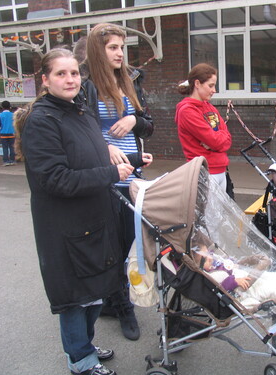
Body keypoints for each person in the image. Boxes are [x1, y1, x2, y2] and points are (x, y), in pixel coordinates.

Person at [18, 48, 133, 375]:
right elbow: (55, 180)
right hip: (67, 228)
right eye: (61, 74)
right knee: (75, 298)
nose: (70, 79)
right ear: (45, 79)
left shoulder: (78, 110)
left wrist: (132, 163)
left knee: (93, 294)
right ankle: (81, 361)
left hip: (93, 221)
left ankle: (84, 345)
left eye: (74, 73)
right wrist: (113, 175)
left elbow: (93, 157)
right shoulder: (42, 120)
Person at [79, 23, 154, 341]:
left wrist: (134, 118)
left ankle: (115, 301)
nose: (120, 53)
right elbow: (78, 131)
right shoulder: (85, 86)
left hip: (132, 175)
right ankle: (122, 306)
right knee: (111, 245)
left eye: (122, 47)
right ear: (98, 50)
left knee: (127, 243)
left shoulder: (130, 81)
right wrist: (103, 144)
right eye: (113, 47)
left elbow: (149, 125)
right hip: (103, 179)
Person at [175, 63, 232, 192]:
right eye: (210, 85)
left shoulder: (209, 106)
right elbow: (215, 140)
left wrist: (216, 141)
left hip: (220, 170)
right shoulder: (187, 110)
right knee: (207, 212)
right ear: (197, 84)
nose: (214, 90)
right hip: (204, 172)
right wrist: (217, 140)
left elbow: (227, 139)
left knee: (219, 212)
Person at [192, 247, 276, 310]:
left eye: (209, 254)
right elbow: (220, 286)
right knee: (266, 287)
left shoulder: (213, 264)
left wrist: (233, 263)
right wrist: (234, 281)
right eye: (206, 259)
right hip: (242, 289)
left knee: (268, 277)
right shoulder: (211, 275)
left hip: (244, 277)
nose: (210, 258)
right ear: (199, 266)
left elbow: (227, 265)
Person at [0, 100, 15, 166]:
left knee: (5, 148)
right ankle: (12, 160)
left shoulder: (0, 115)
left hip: (3, 134)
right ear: (10, 107)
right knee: (12, 147)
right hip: (12, 133)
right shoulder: (13, 115)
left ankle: (6, 161)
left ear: (2, 107)